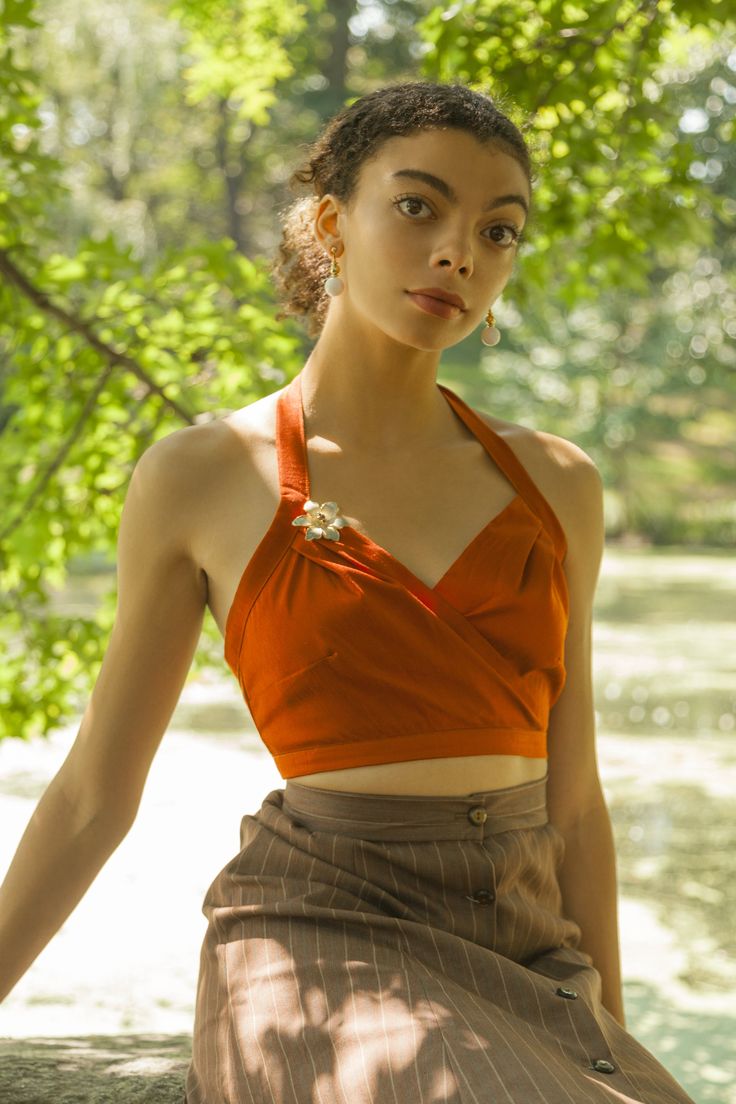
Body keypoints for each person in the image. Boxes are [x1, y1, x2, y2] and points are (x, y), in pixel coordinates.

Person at [0, 81, 696, 1104]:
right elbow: (96, 795)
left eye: (497, 230)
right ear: (331, 221)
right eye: (419, 207)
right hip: (319, 930)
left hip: (526, 943)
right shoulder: (206, 473)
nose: (460, 252)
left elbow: (574, 806)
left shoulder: (557, 482)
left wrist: (604, 1041)